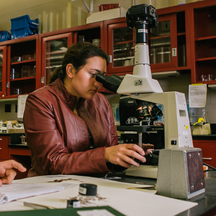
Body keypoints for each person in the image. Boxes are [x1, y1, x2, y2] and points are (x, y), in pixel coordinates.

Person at [23, 42, 152, 177]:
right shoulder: (40, 101)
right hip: (52, 188)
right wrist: (105, 155)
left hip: (95, 184)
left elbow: (112, 152)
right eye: (93, 74)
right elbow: (53, 163)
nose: (98, 83)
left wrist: (131, 153)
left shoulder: (101, 102)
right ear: (70, 70)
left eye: (101, 76)